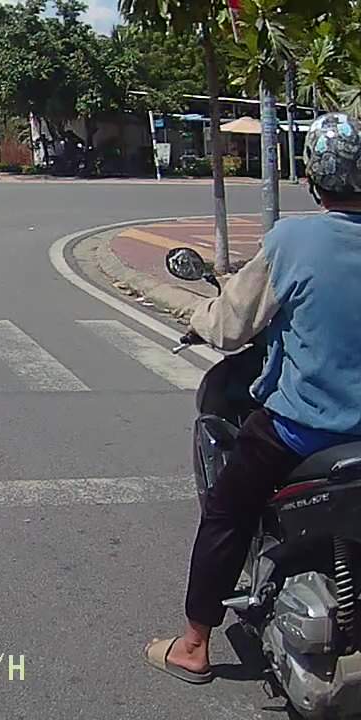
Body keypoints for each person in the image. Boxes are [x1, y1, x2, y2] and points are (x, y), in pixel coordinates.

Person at [145, 112, 361, 683]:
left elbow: (231, 326)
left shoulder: (293, 240)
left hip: (302, 431)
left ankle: (193, 645)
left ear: (312, 180)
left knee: (226, 510)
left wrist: (198, 318)